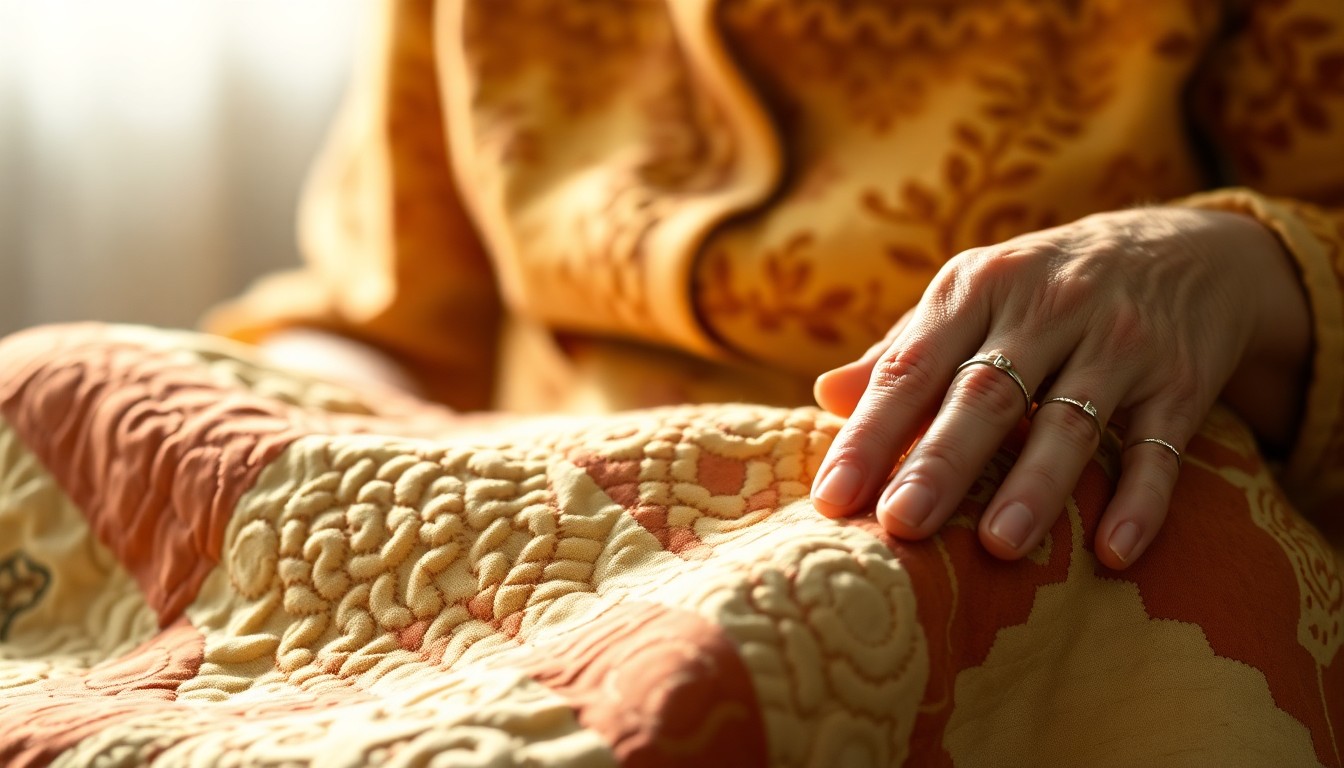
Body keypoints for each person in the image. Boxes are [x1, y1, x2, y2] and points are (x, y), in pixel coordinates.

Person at [3, 0, 1343, 764]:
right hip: (498, 536)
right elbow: (385, 326)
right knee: (59, 381)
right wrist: (258, 453)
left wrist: (1240, 267)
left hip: (934, 552)